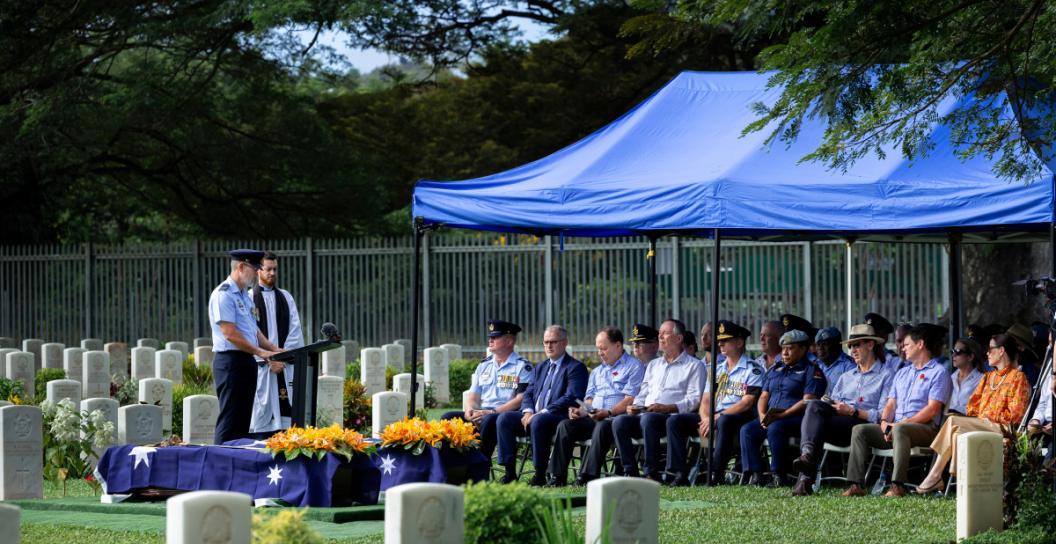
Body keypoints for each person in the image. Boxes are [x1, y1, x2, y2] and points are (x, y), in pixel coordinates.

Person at [842, 324, 951, 497]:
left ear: (920, 344)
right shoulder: (902, 373)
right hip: (897, 427)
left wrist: (900, 424)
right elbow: (891, 403)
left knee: (900, 429)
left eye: (906, 344)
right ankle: (856, 485)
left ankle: (897, 485)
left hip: (926, 429)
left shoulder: (939, 372)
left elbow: (932, 409)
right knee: (860, 430)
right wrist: (885, 422)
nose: (902, 348)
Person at [915, 333, 1030, 493]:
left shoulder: (1018, 378)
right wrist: (983, 417)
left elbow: (1016, 415)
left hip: (1003, 429)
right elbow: (972, 407)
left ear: (1001, 351)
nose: (987, 353)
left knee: (953, 421)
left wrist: (988, 415)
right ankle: (957, 484)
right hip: (983, 424)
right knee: (956, 433)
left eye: (990, 349)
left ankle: (935, 476)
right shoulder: (988, 377)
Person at [790, 324, 894, 496]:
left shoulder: (886, 375)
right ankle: (806, 460)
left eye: (857, 344)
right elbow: (833, 400)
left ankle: (804, 477)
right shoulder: (847, 377)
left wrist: (852, 411)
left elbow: (883, 414)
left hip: (862, 425)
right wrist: (831, 403)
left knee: (815, 421)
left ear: (870, 345)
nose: (852, 349)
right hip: (838, 422)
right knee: (816, 406)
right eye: (850, 346)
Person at [668, 320, 762, 486]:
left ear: (739, 342)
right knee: (675, 420)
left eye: (725, 341)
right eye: (719, 341)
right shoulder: (716, 370)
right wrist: (706, 417)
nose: (720, 344)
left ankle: (715, 473)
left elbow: (747, 403)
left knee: (725, 420)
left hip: (738, 417)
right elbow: (705, 400)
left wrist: (717, 417)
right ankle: (679, 473)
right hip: (714, 416)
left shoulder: (752, 369)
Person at [548, 327, 644, 486]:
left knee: (602, 426)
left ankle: (586, 476)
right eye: (598, 349)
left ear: (618, 346)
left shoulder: (634, 366)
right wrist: (581, 411)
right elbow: (590, 400)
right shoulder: (597, 372)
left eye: (604, 348)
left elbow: (630, 399)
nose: (600, 353)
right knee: (565, 425)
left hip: (616, 418)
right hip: (595, 416)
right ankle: (557, 476)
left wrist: (608, 412)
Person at [612, 319, 704, 482]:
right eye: (659, 333)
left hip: (673, 416)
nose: (660, 337)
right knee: (619, 422)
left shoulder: (694, 366)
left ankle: (651, 472)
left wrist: (668, 408)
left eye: (665, 333)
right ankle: (631, 471)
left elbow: (694, 399)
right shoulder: (654, 365)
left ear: (679, 338)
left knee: (649, 419)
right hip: (648, 414)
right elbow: (644, 392)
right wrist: (635, 406)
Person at [496, 325, 588, 485]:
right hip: (534, 415)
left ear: (564, 342)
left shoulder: (575, 367)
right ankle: (509, 472)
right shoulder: (540, 367)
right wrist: (527, 411)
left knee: (539, 421)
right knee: (504, 419)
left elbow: (572, 397)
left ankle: (539, 474)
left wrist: (543, 412)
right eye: (546, 342)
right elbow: (529, 393)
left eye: (553, 342)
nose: (549, 346)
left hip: (558, 418)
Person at [209, 249, 283, 444]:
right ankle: (220, 466)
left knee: (243, 422)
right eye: (255, 267)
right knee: (230, 420)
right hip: (230, 362)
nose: (258, 272)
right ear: (241, 267)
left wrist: (274, 349)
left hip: (246, 361)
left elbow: (254, 331)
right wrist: (261, 352)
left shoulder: (244, 295)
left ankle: (238, 466)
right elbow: (229, 333)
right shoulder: (223, 294)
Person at [740, 329, 825, 487]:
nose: (784, 353)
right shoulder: (776, 368)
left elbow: (808, 400)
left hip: (796, 418)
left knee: (776, 428)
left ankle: (779, 475)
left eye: (790, 348)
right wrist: (761, 415)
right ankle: (756, 474)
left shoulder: (811, 370)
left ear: (803, 349)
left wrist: (783, 414)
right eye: (783, 348)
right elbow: (764, 396)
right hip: (771, 417)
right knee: (747, 430)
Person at [440, 320, 532, 461]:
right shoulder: (484, 365)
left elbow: (521, 399)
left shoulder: (522, 366)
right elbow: (474, 395)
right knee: (448, 417)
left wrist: (492, 412)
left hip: (504, 416)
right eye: (490, 336)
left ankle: (480, 463)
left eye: (495, 337)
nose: (490, 340)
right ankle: (453, 463)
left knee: (489, 419)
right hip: (482, 415)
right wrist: (471, 411)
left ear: (509, 341)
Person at [249, 251, 304, 436]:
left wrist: (283, 358)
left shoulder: (286, 298)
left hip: (285, 367)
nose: (272, 273)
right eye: (268, 269)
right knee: (263, 424)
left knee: (288, 426)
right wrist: (268, 360)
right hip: (263, 369)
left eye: (275, 269)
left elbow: (295, 332)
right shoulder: (249, 298)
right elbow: (248, 334)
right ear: (258, 270)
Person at [947, 338, 985, 415]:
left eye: (958, 352)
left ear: (970, 357)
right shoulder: (950, 378)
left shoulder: (982, 379)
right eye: (953, 351)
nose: (953, 355)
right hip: (948, 421)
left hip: (967, 423)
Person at [814, 327, 855, 395]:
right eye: (818, 344)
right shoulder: (815, 364)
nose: (820, 348)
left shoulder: (849, 366)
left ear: (838, 345)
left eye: (825, 344)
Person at [1027, 369, 1054, 463]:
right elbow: (1043, 404)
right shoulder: (1051, 372)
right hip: (1045, 428)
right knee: (1030, 456)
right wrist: (1036, 420)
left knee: (1047, 462)